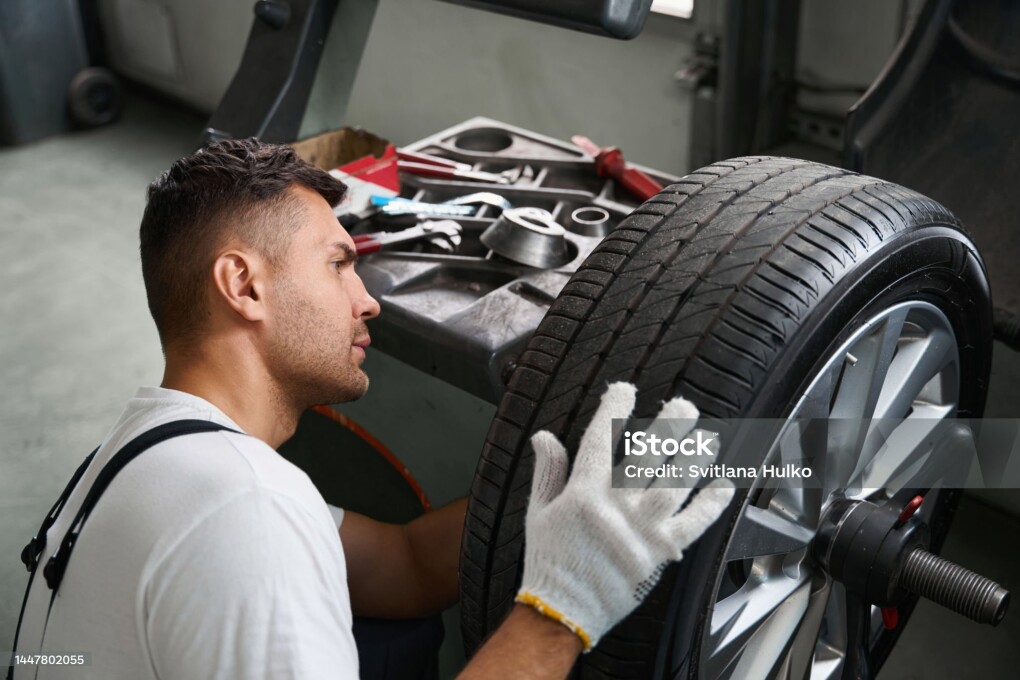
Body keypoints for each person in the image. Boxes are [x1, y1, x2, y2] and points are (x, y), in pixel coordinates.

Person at [12, 139, 733, 679]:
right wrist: (565, 606)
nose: (369, 300)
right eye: (338, 263)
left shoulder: (153, 452)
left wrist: (583, 502)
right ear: (244, 285)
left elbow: (407, 563)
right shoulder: (245, 509)